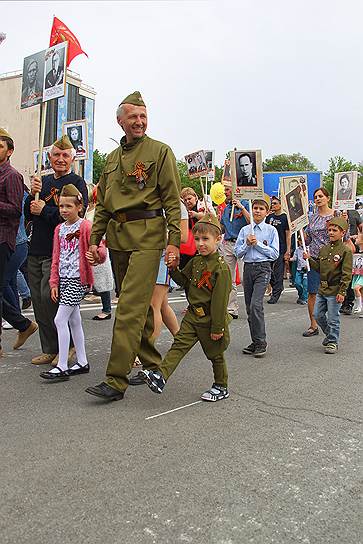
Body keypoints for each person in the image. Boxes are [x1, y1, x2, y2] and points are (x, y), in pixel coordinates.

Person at [85, 91, 181, 402]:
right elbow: (102, 207)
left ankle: (115, 380)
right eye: (133, 117)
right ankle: (154, 365)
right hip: (118, 238)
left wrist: (174, 242)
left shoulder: (160, 151)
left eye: (143, 116)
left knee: (127, 309)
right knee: (135, 308)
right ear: (120, 121)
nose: (139, 122)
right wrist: (94, 239)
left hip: (148, 238)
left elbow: (172, 203)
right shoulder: (111, 159)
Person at [141, 214, 232, 402]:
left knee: (215, 354)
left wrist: (217, 328)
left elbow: (219, 301)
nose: (200, 244)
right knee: (178, 346)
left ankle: (221, 386)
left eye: (206, 239)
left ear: (218, 239)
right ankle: (161, 376)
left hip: (210, 319)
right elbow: (184, 281)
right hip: (193, 316)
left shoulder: (221, 268)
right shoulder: (196, 261)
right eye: (197, 239)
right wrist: (173, 269)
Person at [24, 135, 88, 365]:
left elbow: (75, 218)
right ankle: (50, 348)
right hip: (37, 247)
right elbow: (29, 214)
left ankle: (68, 345)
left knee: (49, 298)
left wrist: (46, 210)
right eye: (56, 155)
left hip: (59, 252)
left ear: (72, 158)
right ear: (49, 157)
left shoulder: (77, 183)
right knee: (39, 302)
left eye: (65, 155)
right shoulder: (43, 182)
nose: (60, 159)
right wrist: (32, 195)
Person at [40, 185, 106, 381]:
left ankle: (62, 365)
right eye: (61, 206)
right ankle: (82, 362)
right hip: (64, 279)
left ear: (79, 207)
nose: (64, 210)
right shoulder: (59, 229)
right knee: (73, 320)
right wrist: (54, 282)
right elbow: (56, 257)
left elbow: (101, 248)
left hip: (79, 279)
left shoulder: (85, 226)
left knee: (60, 319)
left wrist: (96, 255)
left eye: (68, 206)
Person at [0, 128, 38, 357]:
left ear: (9, 151)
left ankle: (22, 326)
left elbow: (15, 211)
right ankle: (23, 325)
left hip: (5, 240)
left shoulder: (12, 175)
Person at [235, 198, 279, 357]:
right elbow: (237, 253)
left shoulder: (271, 230)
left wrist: (258, 244)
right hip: (248, 268)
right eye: (255, 208)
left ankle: (261, 342)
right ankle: (255, 340)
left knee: (256, 305)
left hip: (263, 269)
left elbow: (274, 253)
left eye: (261, 208)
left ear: (267, 212)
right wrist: (247, 244)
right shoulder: (245, 230)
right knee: (248, 307)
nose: (257, 211)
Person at [304, 217, 352, 354]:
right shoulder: (323, 249)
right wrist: (309, 259)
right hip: (323, 289)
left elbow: (346, 274)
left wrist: (342, 292)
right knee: (317, 315)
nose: (331, 232)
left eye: (334, 230)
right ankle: (330, 335)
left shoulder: (345, 251)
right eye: (329, 230)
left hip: (336, 289)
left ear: (342, 233)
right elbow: (319, 268)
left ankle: (332, 342)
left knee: (333, 318)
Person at [303, 188, 335, 337]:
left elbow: (344, 236)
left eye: (321, 196)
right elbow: (309, 239)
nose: (318, 199)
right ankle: (313, 325)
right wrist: (303, 238)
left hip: (332, 260)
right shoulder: (312, 217)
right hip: (314, 259)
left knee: (331, 294)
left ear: (327, 198)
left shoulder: (336, 215)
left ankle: (332, 324)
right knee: (312, 292)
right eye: (315, 197)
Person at [219, 179, 250, 318]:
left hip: (242, 244)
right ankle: (231, 309)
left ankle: (251, 306)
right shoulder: (226, 209)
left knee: (244, 278)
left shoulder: (245, 204)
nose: (224, 193)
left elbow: (252, 222)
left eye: (227, 190)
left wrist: (242, 208)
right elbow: (221, 228)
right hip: (228, 244)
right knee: (228, 278)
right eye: (224, 190)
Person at [266, 196, 290, 304]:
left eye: (275, 203)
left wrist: (288, 250)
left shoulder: (285, 218)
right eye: (272, 203)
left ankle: (276, 293)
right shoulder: (269, 217)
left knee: (278, 272)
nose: (273, 205)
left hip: (280, 248)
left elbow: (288, 235)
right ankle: (276, 287)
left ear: (280, 205)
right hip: (269, 248)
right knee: (268, 271)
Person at [290, 235, 308, 304]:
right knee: (297, 283)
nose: (301, 242)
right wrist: (289, 259)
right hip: (299, 269)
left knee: (305, 285)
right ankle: (301, 296)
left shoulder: (308, 248)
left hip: (306, 269)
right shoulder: (297, 250)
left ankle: (304, 298)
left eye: (303, 240)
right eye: (300, 240)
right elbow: (294, 258)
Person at [352, 232, 363, 314]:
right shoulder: (358, 250)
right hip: (358, 273)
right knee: (361, 291)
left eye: (357, 238)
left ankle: (359, 306)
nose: (355, 239)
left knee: (356, 288)